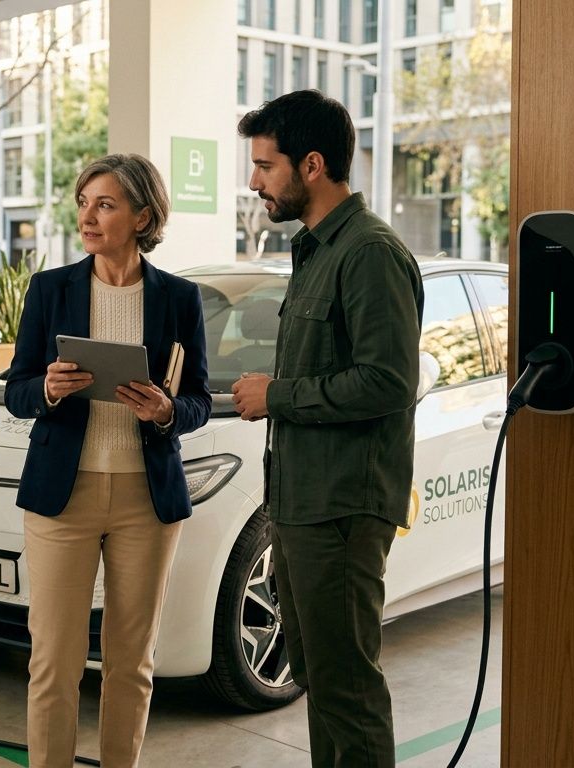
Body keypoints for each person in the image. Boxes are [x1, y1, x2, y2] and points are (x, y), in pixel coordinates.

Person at [230, 90, 424, 767]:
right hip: (302, 505)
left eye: (265, 166)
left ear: (312, 165)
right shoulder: (316, 251)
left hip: (342, 509)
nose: (254, 182)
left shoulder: (369, 254)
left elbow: (389, 382)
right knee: (319, 679)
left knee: (347, 689)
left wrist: (277, 395)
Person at [5, 153, 211, 768]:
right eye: (84, 203)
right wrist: (47, 388)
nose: (88, 217)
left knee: (131, 661)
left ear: (143, 215)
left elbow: (200, 397)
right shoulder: (50, 290)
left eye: (106, 204)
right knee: (54, 662)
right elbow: (17, 390)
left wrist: (166, 410)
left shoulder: (178, 298)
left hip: (145, 503)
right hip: (61, 498)